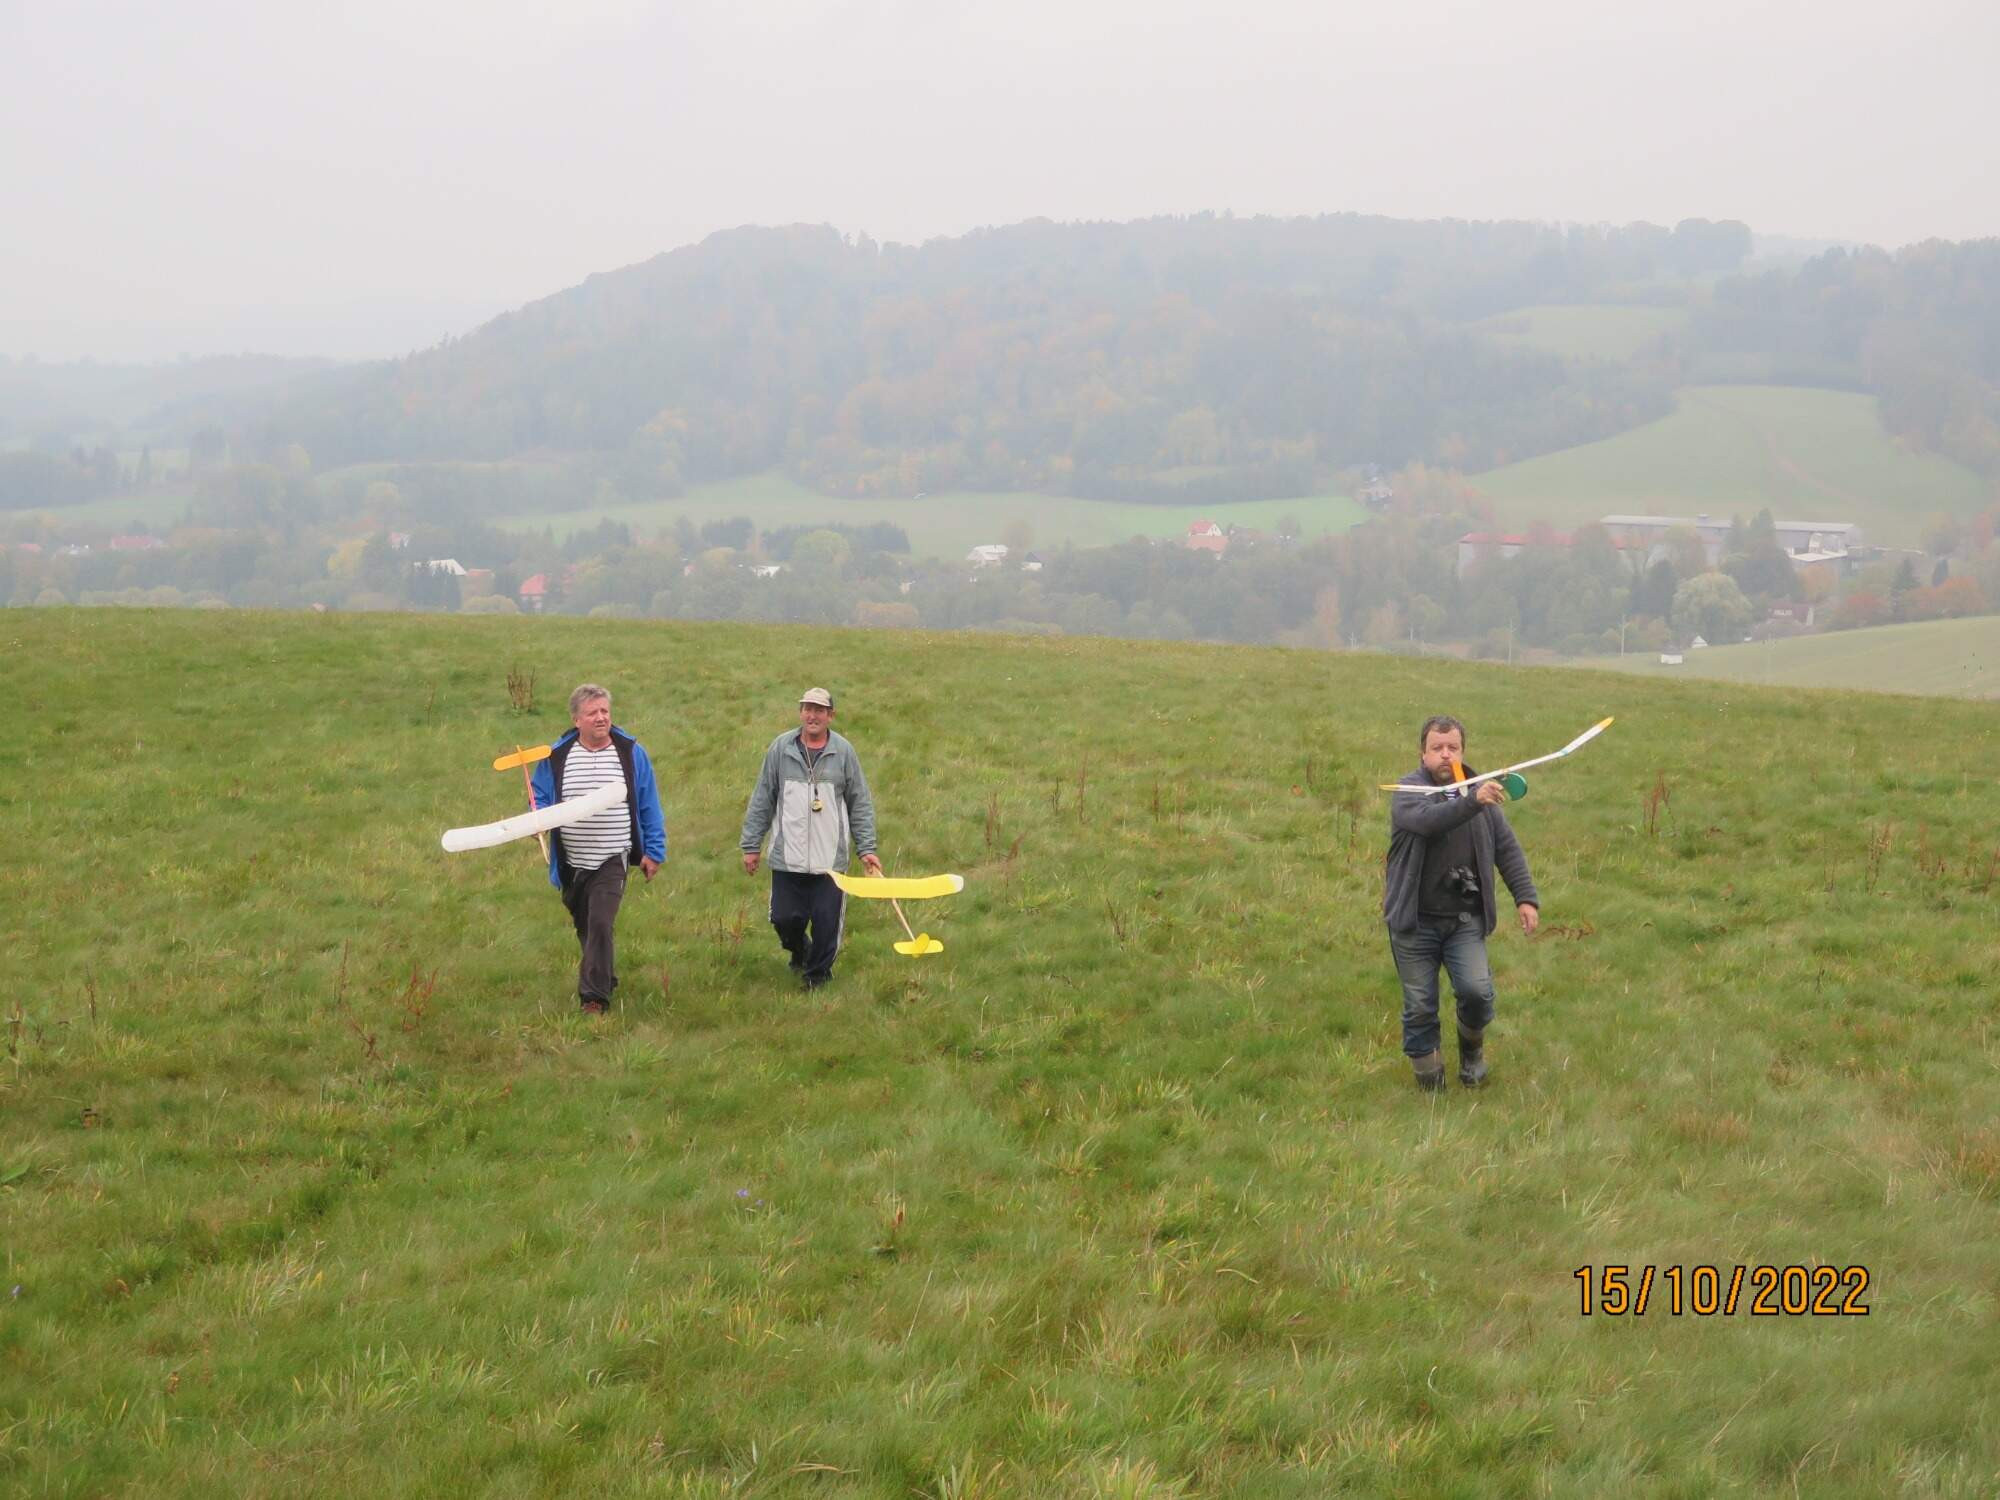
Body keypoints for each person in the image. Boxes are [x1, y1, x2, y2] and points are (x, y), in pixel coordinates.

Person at [1382, 714, 1539, 1091]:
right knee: (1420, 1005)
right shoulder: (1408, 791)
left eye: (1452, 747)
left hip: (1464, 920)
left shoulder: (1482, 796)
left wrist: (1525, 898)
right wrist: (1473, 801)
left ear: (1463, 751)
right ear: (1423, 754)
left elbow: (1507, 849)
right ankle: (1430, 1086)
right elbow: (1430, 820)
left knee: (1476, 993)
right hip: (1414, 921)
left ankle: (1472, 1054)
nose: (1445, 754)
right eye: (1436, 748)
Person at [529, 684, 666, 1014]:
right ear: (577, 720)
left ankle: (594, 998)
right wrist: (537, 819)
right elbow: (539, 796)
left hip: (612, 855)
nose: (601, 717)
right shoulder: (557, 756)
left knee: (601, 922)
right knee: (587, 926)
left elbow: (648, 802)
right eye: (592, 713)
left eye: (605, 711)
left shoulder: (631, 753)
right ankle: (605, 975)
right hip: (572, 860)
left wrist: (654, 850)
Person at [739, 687, 881, 987]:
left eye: (819, 710)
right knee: (783, 919)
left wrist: (866, 848)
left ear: (830, 715)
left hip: (829, 862)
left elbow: (860, 802)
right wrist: (751, 845)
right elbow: (763, 797)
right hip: (787, 858)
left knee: (827, 924)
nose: (812, 715)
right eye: (807, 709)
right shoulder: (781, 749)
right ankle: (800, 951)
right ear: (800, 712)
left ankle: (817, 978)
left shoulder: (843, 752)